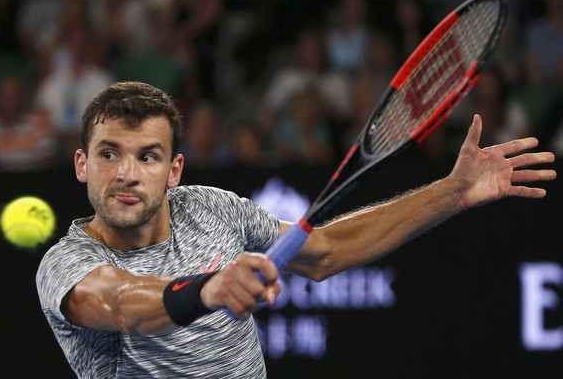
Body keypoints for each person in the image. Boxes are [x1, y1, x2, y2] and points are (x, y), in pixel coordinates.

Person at [36, 81, 556, 378]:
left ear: (174, 171)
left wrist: (452, 193)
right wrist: (208, 288)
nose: (126, 174)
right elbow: (121, 304)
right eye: (110, 154)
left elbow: (326, 251)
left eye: (147, 156)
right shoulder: (67, 264)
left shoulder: (214, 209)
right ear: (83, 164)